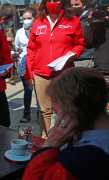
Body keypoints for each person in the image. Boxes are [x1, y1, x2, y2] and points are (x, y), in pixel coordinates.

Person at [15, 67, 109, 180]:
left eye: (58, 114)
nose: (60, 121)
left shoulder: (79, 160)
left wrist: (48, 147)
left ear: (71, 110)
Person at [24, 0, 85, 138]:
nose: (53, 3)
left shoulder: (72, 20)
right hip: (41, 73)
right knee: (44, 111)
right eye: (49, 0)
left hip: (63, 74)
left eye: (56, 0)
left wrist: (73, 53)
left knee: (65, 110)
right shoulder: (38, 22)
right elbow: (32, 49)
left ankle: (67, 139)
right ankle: (44, 141)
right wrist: (29, 74)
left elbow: (80, 44)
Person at [84, 1, 109, 109]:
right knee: (97, 108)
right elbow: (88, 44)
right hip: (100, 71)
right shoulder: (98, 25)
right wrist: (89, 25)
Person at [14, 7, 38, 123]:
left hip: (37, 65)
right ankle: (26, 113)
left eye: (29, 18)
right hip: (25, 66)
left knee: (39, 92)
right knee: (28, 90)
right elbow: (17, 47)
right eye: (24, 18)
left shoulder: (38, 30)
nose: (26, 20)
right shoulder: (19, 32)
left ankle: (41, 113)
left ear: (35, 18)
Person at [71, 0, 95, 67]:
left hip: (85, 59)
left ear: (84, 5)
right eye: (71, 5)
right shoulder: (70, 19)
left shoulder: (91, 19)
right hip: (72, 58)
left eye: (76, 5)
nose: (73, 7)